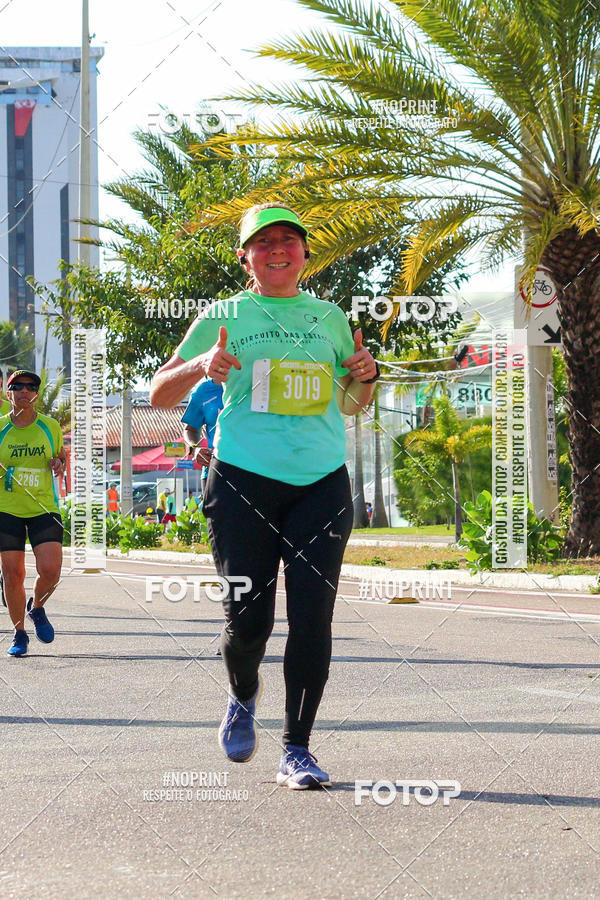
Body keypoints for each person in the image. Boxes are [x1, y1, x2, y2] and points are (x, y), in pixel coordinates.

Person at [150, 204, 379, 789]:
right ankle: (242, 692)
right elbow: (157, 392)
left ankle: (297, 749)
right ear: (245, 256)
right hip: (242, 481)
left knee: (312, 617)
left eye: (289, 241)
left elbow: (350, 406)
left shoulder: (328, 317)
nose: (277, 250)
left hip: (322, 483)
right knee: (248, 620)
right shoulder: (222, 314)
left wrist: (365, 377)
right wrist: (203, 364)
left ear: (304, 253)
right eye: (263, 242)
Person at [0, 370, 66, 657]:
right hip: (7, 509)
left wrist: (59, 462)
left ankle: (36, 607)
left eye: (30, 387)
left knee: (50, 570)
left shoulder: (50, 426)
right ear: (8, 393)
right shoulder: (1, 427)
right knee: (12, 574)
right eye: (18, 387)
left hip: (43, 507)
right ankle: (19, 633)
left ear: (36, 394)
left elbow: (61, 455)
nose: (24, 391)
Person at [182, 376, 224, 496]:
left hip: (251, 469)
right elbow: (190, 429)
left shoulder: (253, 383)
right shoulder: (203, 391)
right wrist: (195, 449)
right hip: (213, 470)